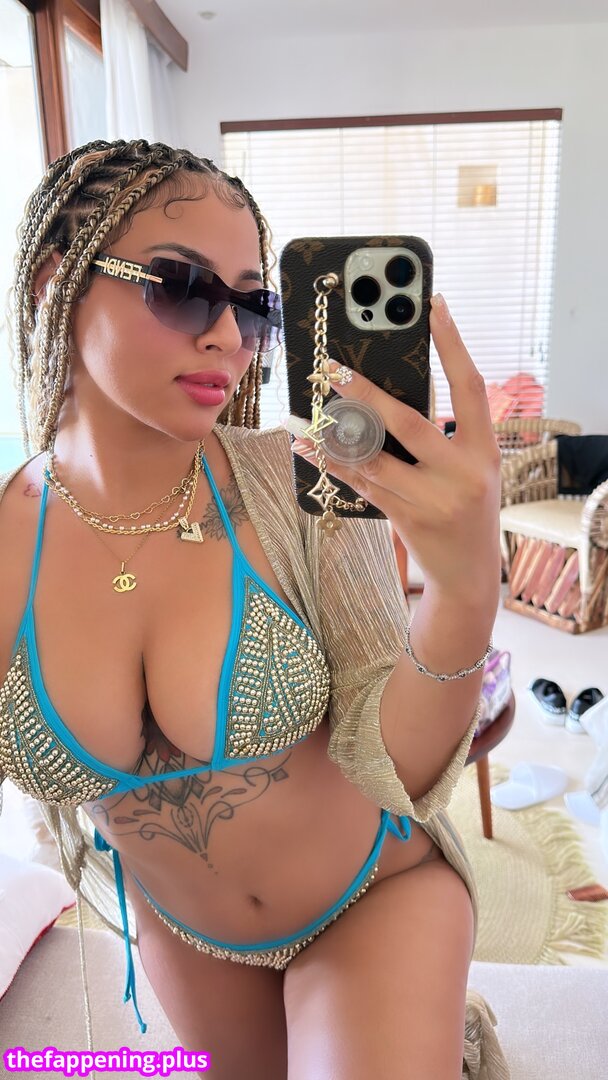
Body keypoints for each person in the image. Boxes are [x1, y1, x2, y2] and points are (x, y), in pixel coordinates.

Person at [0, 139, 509, 1079]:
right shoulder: (6, 537)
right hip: (186, 934)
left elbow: (399, 768)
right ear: (52, 285)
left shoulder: (305, 482)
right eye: (182, 288)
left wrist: (465, 590)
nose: (229, 340)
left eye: (250, 305)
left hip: (376, 894)